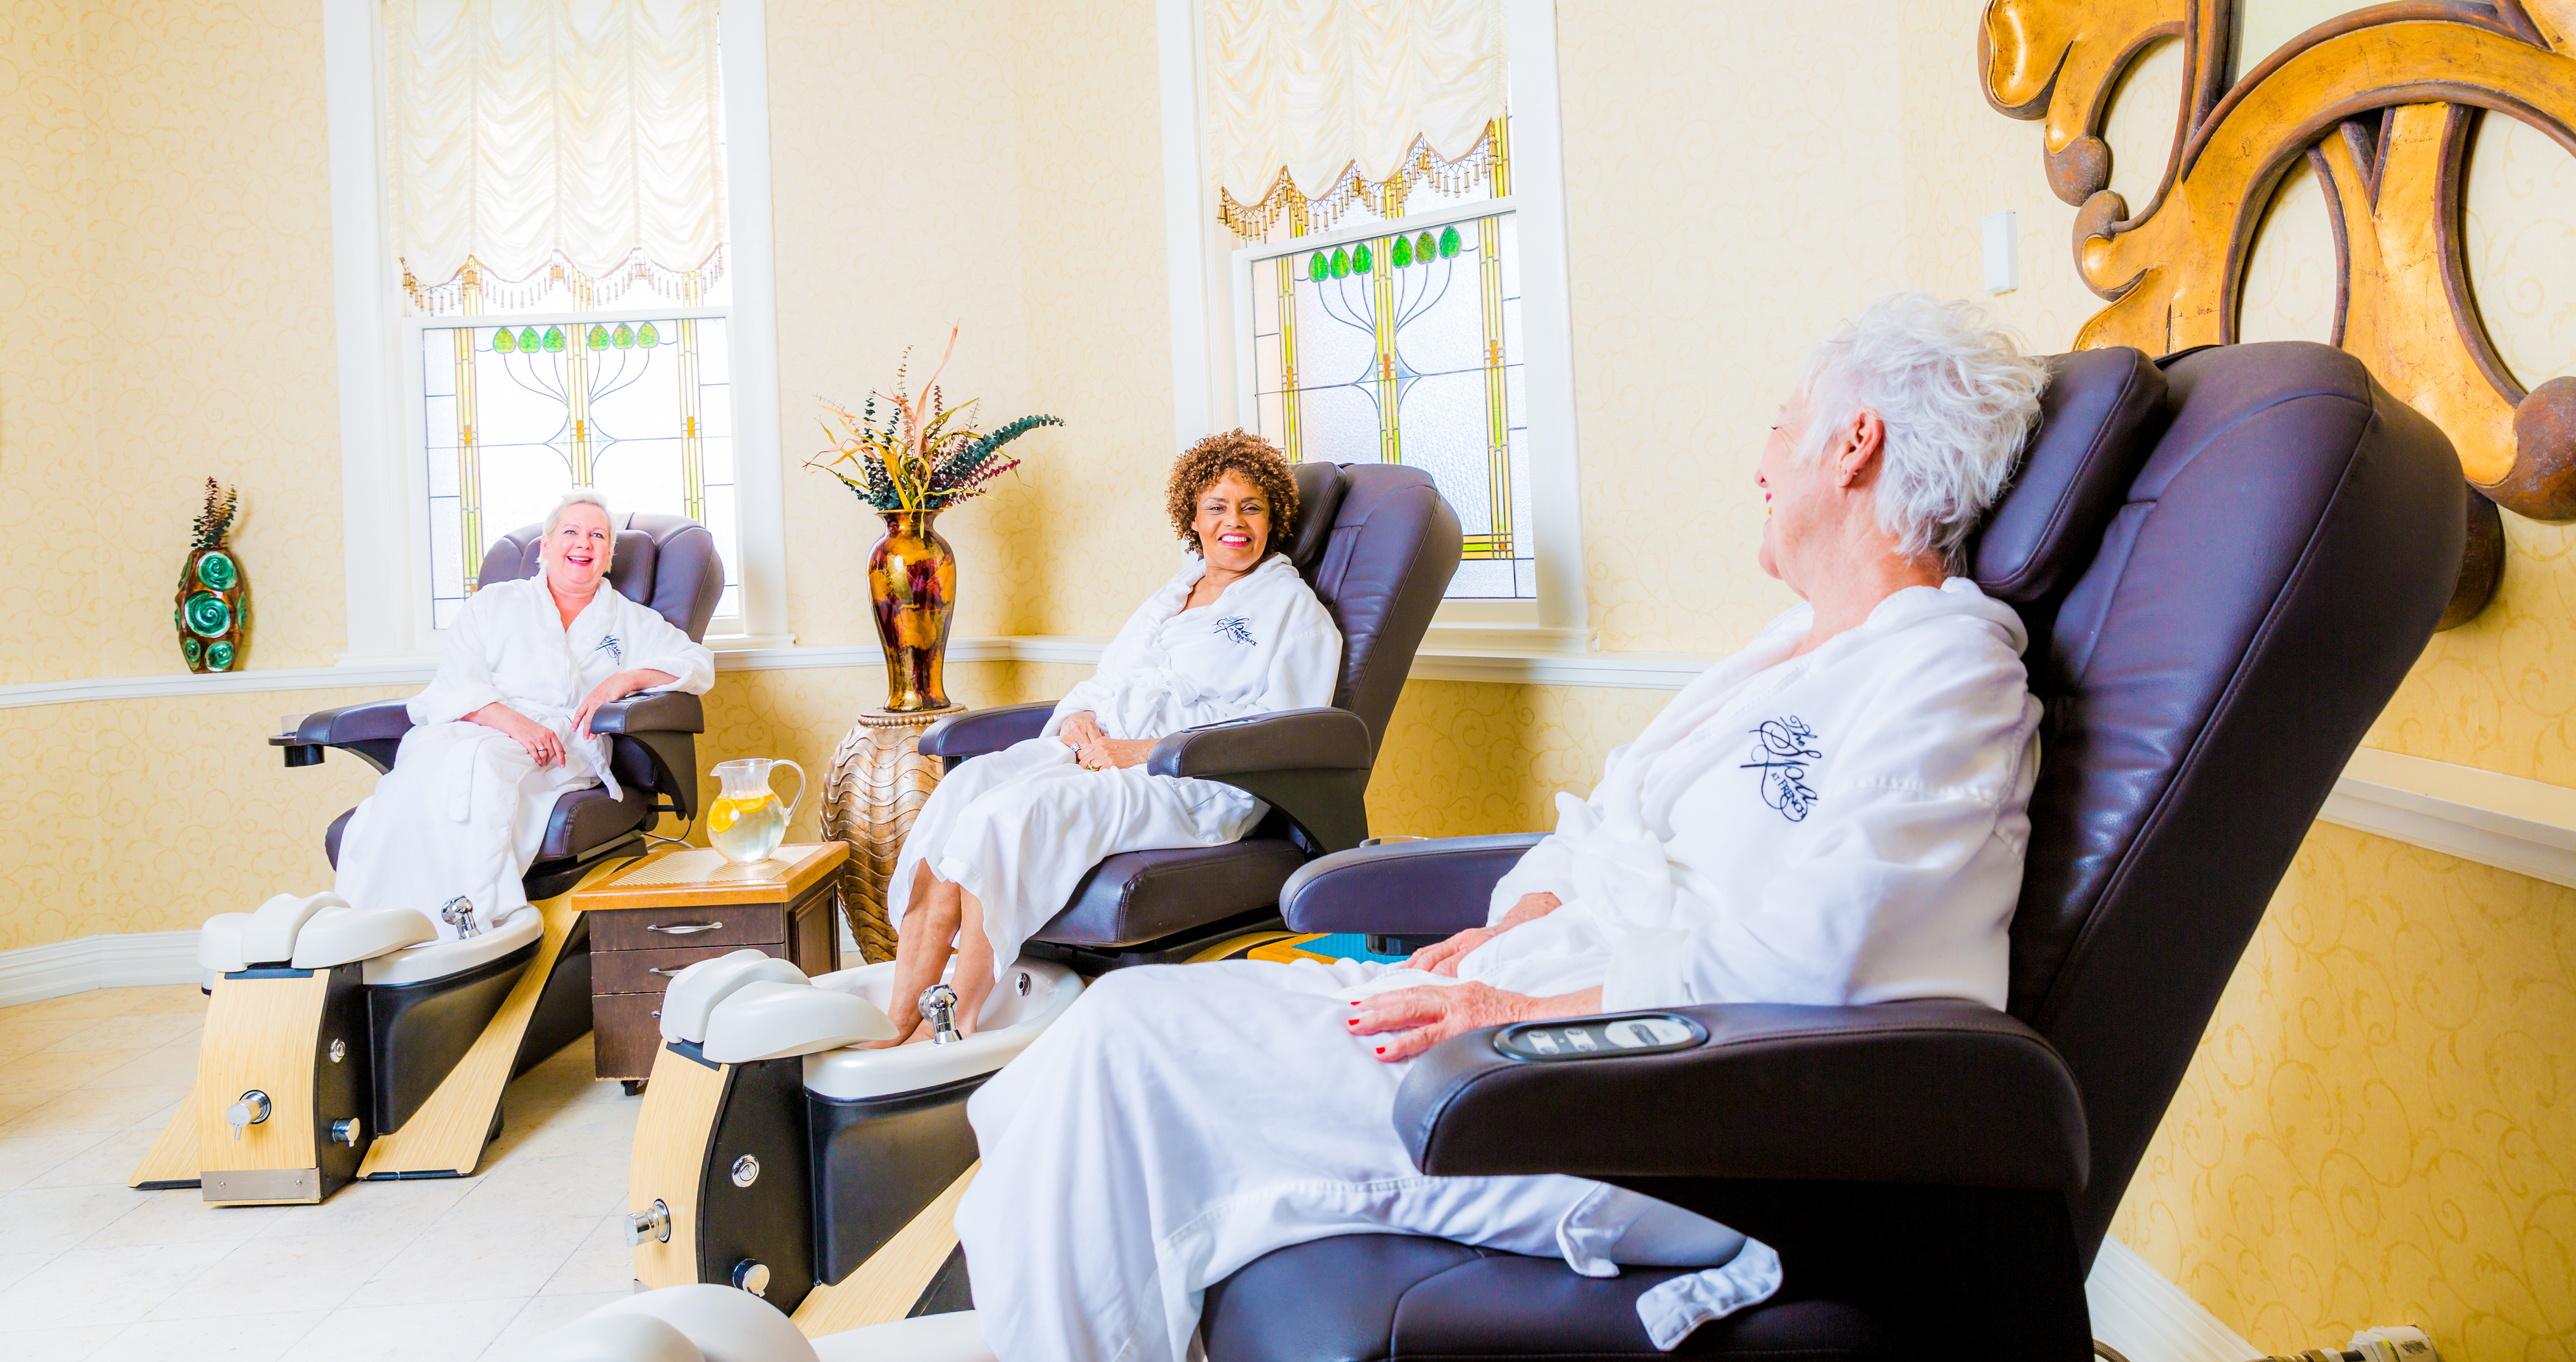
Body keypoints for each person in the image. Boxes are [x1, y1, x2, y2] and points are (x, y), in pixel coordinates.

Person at [955, 294, 2053, 1360]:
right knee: (1106, 1038)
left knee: (1127, 1061)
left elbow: (1823, 965)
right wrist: (1504, 931)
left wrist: (1521, 1011)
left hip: (1645, 1104)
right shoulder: (1790, 650)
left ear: (1855, 443)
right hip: (1532, 1020)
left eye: (1781, 421)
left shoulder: (1947, 675)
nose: (1761, 461)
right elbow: (1606, 823)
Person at [878, 430, 1342, 1043]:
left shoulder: (1291, 609)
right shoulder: (1171, 596)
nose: (1236, 522)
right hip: (1096, 753)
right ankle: (900, 1019)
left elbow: (1285, 734)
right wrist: (1078, 719)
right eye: (1218, 507)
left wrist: (1141, 753)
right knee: (968, 789)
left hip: (1192, 780)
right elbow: (1107, 680)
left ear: (1275, 516)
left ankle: (958, 1024)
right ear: (1193, 518)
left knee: (1010, 813)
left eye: (1252, 506)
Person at [333, 489, 715, 938]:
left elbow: (697, 665)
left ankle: (472, 918)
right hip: (481, 722)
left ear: (610, 554)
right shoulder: (492, 606)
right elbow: (455, 685)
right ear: (546, 547)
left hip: (563, 739)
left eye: (597, 536)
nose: (584, 543)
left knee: (486, 765)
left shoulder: (631, 620)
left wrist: (624, 680)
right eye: (571, 532)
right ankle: (372, 918)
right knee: (423, 759)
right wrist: (514, 723)